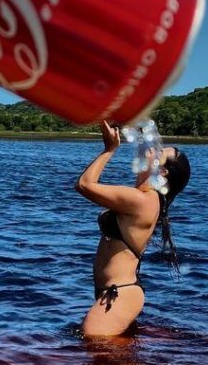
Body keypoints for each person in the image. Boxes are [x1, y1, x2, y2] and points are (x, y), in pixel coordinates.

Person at [75, 120, 191, 336]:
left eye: (158, 152)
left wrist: (109, 149)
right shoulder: (144, 196)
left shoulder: (144, 200)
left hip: (119, 293)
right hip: (113, 291)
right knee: (111, 359)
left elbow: (84, 185)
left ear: (162, 172)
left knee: (95, 347)